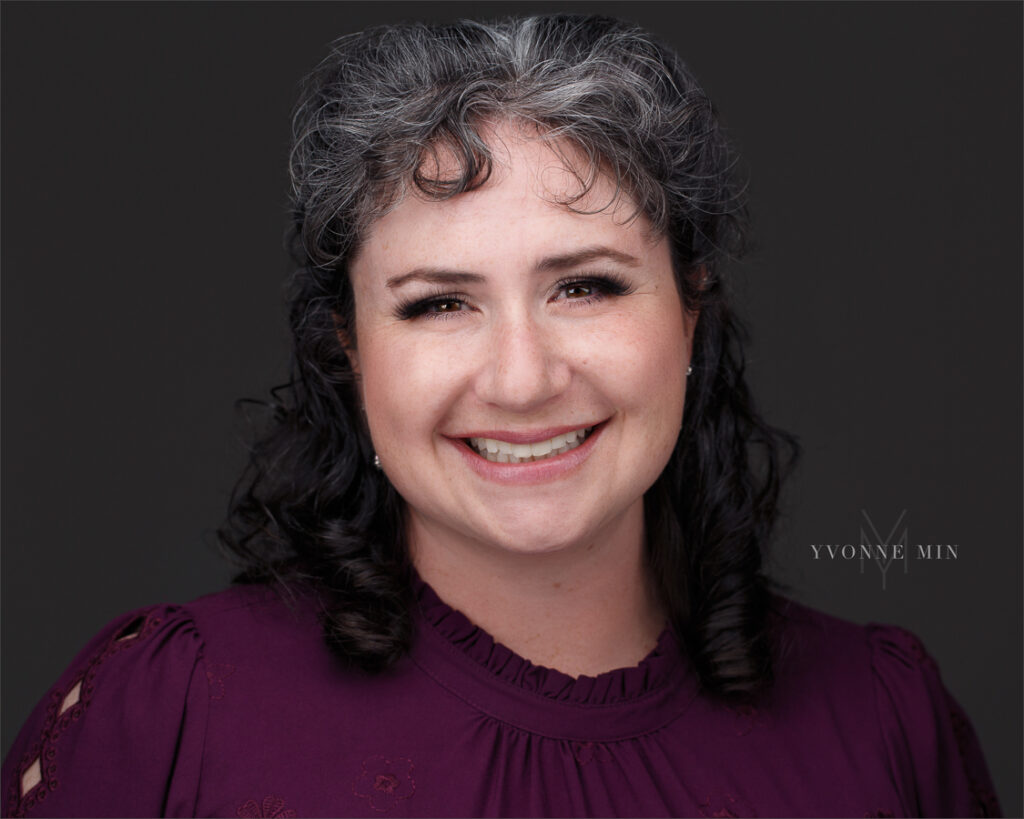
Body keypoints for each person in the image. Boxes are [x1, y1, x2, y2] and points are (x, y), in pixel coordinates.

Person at [2, 14, 1001, 818]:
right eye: (439, 303)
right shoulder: (176, 713)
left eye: (586, 288)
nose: (521, 380)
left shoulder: (881, 724)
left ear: (690, 313)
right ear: (349, 352)